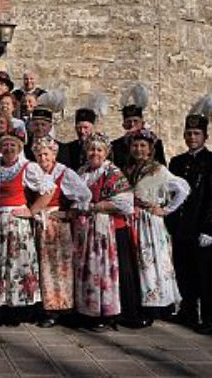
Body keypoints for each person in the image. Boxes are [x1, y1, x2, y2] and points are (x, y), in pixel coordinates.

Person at [166, 96, 212, 335]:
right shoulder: (177, 162)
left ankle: (209, 317)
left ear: (205, 137)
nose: (192, 137)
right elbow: (170, 193)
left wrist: (210, 229)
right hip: (182, 228)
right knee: (184, 273)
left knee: (205, 276)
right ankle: (188, 311)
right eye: (189, 133)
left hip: (203, 230)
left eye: (196, 134)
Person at [0, 127, 52, 324]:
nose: (9, 148)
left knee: (18, 264)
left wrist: (31, 211)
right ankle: (1, 307)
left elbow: (48, 190)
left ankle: (19, 309)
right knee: (0, 264)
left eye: (13, 144)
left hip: (17, 224)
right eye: (5, 145)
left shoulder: (27, 167)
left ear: (19, 147)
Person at [124, 129, 189, 324]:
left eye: (143, 146)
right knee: (135, 264)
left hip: (149, 223)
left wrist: (166, 209)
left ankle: (153, 308)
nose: (138, 149)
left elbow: (183, 188)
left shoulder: (158, 170)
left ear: (151, 149)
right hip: (131, 220)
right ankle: (137, 305)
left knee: (151, 264)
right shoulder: (128, 169)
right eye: (135, 145)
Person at [75, 132, 135, 330]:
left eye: (99, 149)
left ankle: (105, 314)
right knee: (87, 269)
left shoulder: (112, 172)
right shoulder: (83, 171)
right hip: (86, 230)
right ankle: (88, 311)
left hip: (105, 231)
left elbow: (125, 202)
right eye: (91, 149)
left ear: (106, 152)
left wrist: (96, 207)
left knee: (103, 270)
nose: (95, 153)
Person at [30, 136, 91, 327]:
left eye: (46, 154)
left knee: (56, 268)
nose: (43, 158)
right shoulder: (34, 172)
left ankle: (57, 308)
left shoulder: (63, 172)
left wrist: (67, 213)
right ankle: (41, 306)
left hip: (56, 225)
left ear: (54, 154)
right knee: (40, 266)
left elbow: (84, 195)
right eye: (39, 155)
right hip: (38, 222)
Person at [111, 83, 166, 169]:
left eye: (135, 121)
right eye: (128, 122)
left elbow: (162, 167)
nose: (132, 124)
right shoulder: (116, 145)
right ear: (123, 125)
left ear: (142, 122)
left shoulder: (156, 143)